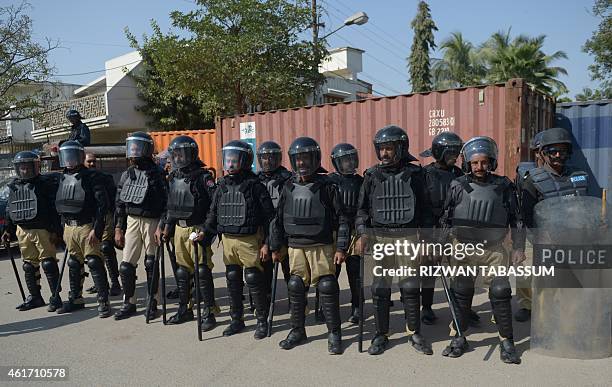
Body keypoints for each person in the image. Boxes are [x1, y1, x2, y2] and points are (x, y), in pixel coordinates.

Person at [439, 136, 524, 364]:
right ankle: (459, 336)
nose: (479, 167)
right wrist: (440, 245)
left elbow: (517, 219)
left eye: (484, 162)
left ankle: (507, 341)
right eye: (475, 163)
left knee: (500, 292)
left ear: (492, 162)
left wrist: (518, 247)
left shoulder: (504, 186)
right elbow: (446, 218)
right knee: (462, 292)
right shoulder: (457, 185)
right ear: (468, 163)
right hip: (462, 247)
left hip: (494, 249)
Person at [354, 125, 435, 356]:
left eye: (388, 148)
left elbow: (426, 211)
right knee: (380, 287)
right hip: (381, 238)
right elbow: (361, 211)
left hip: (408, 237)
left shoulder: (416, 175)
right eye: (381, 149)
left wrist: (427, 239)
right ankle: (381, 334)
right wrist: (362, 234)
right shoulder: (371, 176)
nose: (384, 154)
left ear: (400, 148)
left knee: (410, 286)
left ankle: (414, 332)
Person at [270, 137, 349, 354]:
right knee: (295, 286)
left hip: (321, 245)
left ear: (315, 159)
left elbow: (342, 219)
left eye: (305, 158)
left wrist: (341, 247)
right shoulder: (286, 186)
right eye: (298, 159)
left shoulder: (327, 187)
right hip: (295, 246)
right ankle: (298, 330)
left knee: (326, 286)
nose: (302, 163)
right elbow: (277, 219)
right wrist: (275, 246)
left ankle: (334, 333)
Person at [204, 140, 275, 339]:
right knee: (233, 278)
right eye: (228, 159)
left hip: (250, 240)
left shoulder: (255, 186)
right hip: (228, 239)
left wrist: (268, 243)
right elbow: (213, 214)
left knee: (253, 278)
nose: (230, 164)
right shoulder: (222, 185)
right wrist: (204, 233)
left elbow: (270, 218)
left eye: (234, 160)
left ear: (244, 161)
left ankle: (262, 321)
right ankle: (237, 319)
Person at [160, 136, 218, 328]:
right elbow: (171, 205)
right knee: (183, 272)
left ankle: (209, 312)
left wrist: (207, 229)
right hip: (179, 229)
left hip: (197, 228)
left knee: (202, 270)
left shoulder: (204, 177)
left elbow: (214, 206)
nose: (178, 157)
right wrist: (167, 226)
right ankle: (185, 309)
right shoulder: (174, 177)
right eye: (175, 154)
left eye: (181, 154)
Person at [113, 132, 167, 321]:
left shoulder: (158, 174)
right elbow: (119, 203)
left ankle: (153, 301)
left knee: (151, 264)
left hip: (152, 221)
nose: (133, 151)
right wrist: (118, 228)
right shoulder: (127, 174)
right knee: (126, 266)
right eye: (132, 147)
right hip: (132, 221)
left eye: (137, 147)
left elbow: (167, 203)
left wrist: (162, 225)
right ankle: (129, 302)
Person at [54, 141, 111, 317]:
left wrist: (97, 229)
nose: (69, 160)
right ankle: (76, 299)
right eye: (66, 156)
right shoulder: (62, 177)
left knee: (94, 261)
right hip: (69, 227)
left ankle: (104, 301)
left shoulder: (91, 177)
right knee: (73, 263)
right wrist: (61, 228)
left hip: (87, 226)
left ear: (79, 156)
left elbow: (103, 205)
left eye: (73, 156)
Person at [2, 151, 63, 312]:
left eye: (27, 167)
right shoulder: (14, 185)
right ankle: (35, 297)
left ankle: (55, 297)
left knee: (48, 263)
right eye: (21, 167)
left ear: (34, 166)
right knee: (29, 265)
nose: (24, 170)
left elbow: (53, 208)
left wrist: (55, 230)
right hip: (22, 229)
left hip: (42, 229)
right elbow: (11, 209)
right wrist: (7, 230)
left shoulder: (44, 184)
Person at [421, 132, 463, 325]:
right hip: (432, 228)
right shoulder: (425, 175)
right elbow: (420, 206)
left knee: (459, 270)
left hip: (454, 231)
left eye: (457, 152)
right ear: (439, 152)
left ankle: (461, 307)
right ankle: (426, 307)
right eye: (450, 152)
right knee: (428, 270)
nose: (454, 156)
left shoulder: (460, 175)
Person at [327, 143, 362, 324]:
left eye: (351, 159)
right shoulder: (329, 181)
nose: (349, 163)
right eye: (344, 160)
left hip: (355, 230)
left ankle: (357, 305)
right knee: (330, 273)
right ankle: (326, 306)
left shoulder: (360, 181)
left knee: (355, 272)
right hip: (334, 232)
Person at [513, 131, 544, 322]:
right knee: (523, 269)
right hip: (530, 229)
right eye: (539, 150)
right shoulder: (526, 173)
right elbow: (521, 211)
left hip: (553, 232)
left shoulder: (564, 174)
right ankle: (526, 305)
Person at [256, 141, 293, 296]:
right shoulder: (255, 179)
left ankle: (295, 301)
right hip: (262, 229)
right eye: (264, 157)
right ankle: (264, 299)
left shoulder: (288, 178)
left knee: (290, 270)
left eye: (271, 157)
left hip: (283, 229)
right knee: (263, 271)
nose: (267, 161)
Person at [84, 153, 121, 296]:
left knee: (106, 248)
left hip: (105, 217)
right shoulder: (80, 178)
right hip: (88, 219)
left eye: (94, 162)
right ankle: (100, 283)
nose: (92, 164)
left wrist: (116, 221)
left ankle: (115, 282)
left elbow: (113, 200)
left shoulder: (104, 177)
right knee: (92, 252)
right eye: (89, 162)